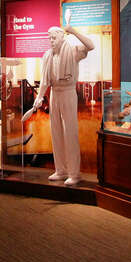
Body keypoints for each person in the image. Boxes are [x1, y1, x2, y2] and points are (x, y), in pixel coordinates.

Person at [34, 25, 94, 186]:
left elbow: (91, 45)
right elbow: (45, 79)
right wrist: (40, 96)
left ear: (62, 37)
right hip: (54, 93)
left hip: (68, 92)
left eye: (54, 38)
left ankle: (74, 173)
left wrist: (74, 31)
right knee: (56, 132)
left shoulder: (73, 51)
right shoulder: (47, 55)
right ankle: (61, 170)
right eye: (49, 38)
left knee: (70, 132)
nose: (51, 41)